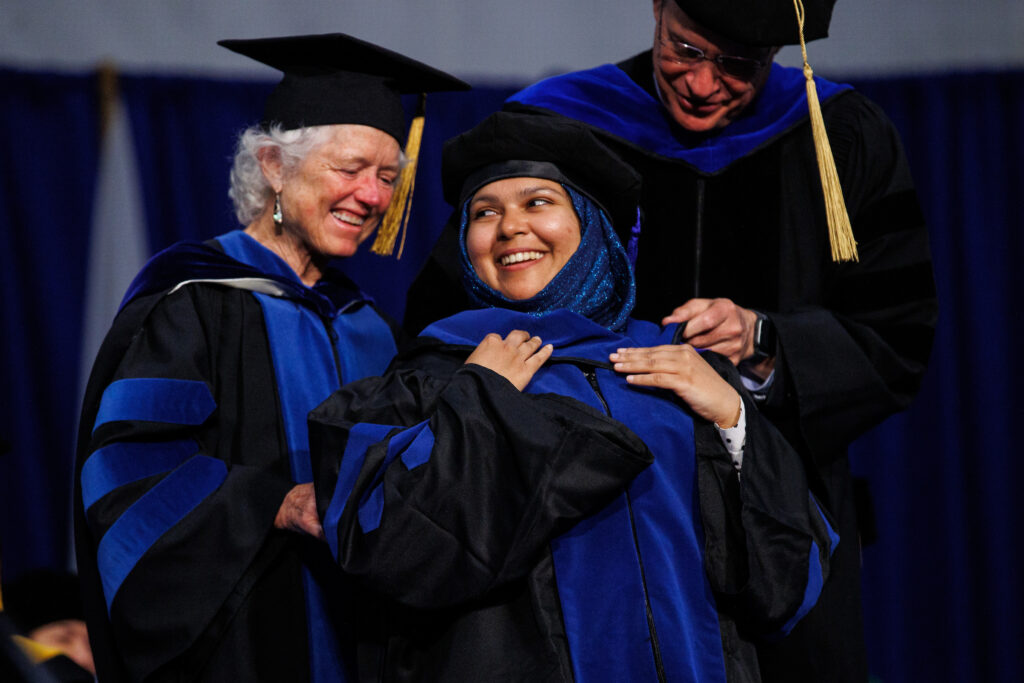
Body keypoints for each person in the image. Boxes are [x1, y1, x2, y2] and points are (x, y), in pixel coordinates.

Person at [406, 2, 937, 680]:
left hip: (775, 519)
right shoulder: (562, 122)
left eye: (738, 65)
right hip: (586, 525)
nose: (704, 84)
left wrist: (767, 342)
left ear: (779, 51)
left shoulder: (841, 134)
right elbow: (451, 317)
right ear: (658, 8)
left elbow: (897, 334)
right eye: (684, 49)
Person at [306, 111, 838, 682]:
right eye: (484, 212)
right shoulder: (433, 377)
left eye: (538, 202)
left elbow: (784, 586)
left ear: (592, 227)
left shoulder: (679, 366)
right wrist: (479, 398)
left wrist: (734, 419)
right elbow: (398, 555)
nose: (510, 227)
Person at [73, 33, 468, 683]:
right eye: (350, 169)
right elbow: (129, 472)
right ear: (274, 166)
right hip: (241, 646)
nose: (372, 196)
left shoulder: (374, 330)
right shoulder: (193, 300)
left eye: (387, 178)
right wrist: (274, 502)